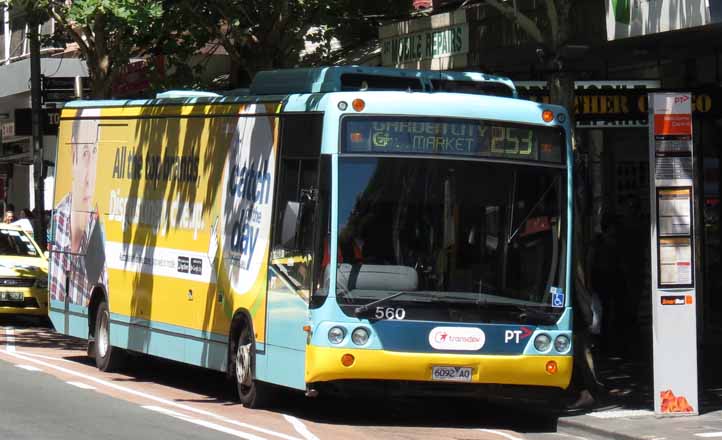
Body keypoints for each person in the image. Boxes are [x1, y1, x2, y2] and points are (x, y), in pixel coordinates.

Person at [49, 114, 107, 309]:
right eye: (84, 153)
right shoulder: (57, 222)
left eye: (95, 151)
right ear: (73, 152)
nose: (89, 174)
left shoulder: (101, 235)